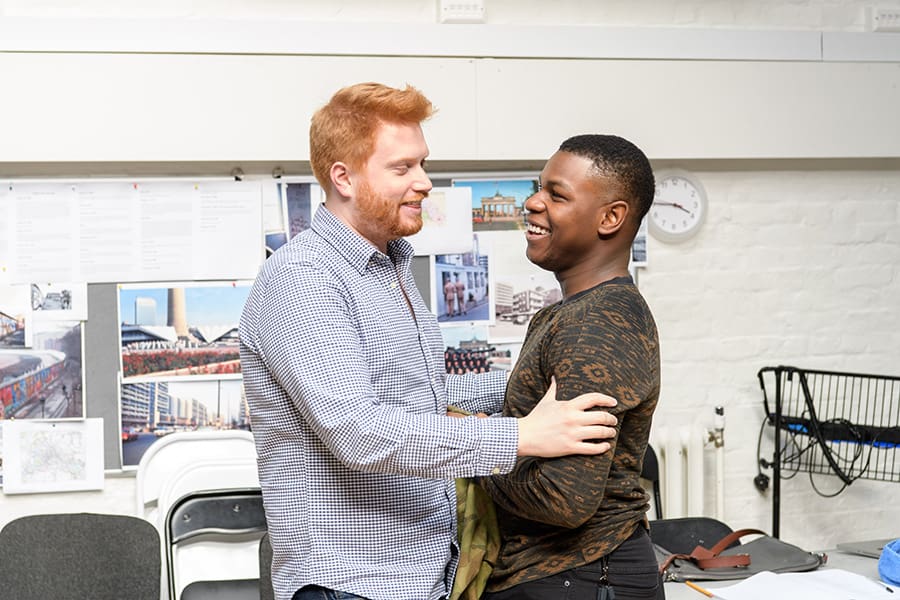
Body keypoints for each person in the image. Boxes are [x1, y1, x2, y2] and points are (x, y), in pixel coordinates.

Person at [239, 82, 622, 600]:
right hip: (351, 587)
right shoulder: (304, 278)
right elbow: (360, 432)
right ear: (343, 177)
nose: (423, 182)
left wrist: (534, 382)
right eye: (402, 168)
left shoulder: (391, 268)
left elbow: (426, 402)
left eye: (423, 163)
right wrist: (522, 437)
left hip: (420, 579)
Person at [479, 134, 663, 600]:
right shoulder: (571, 313)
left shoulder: (596, 322)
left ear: (611, 218)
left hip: (581, 576)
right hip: (560, 577)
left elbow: (566, 499)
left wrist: (478, 451)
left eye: (556, 195)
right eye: (539, 188)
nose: (533, 203)